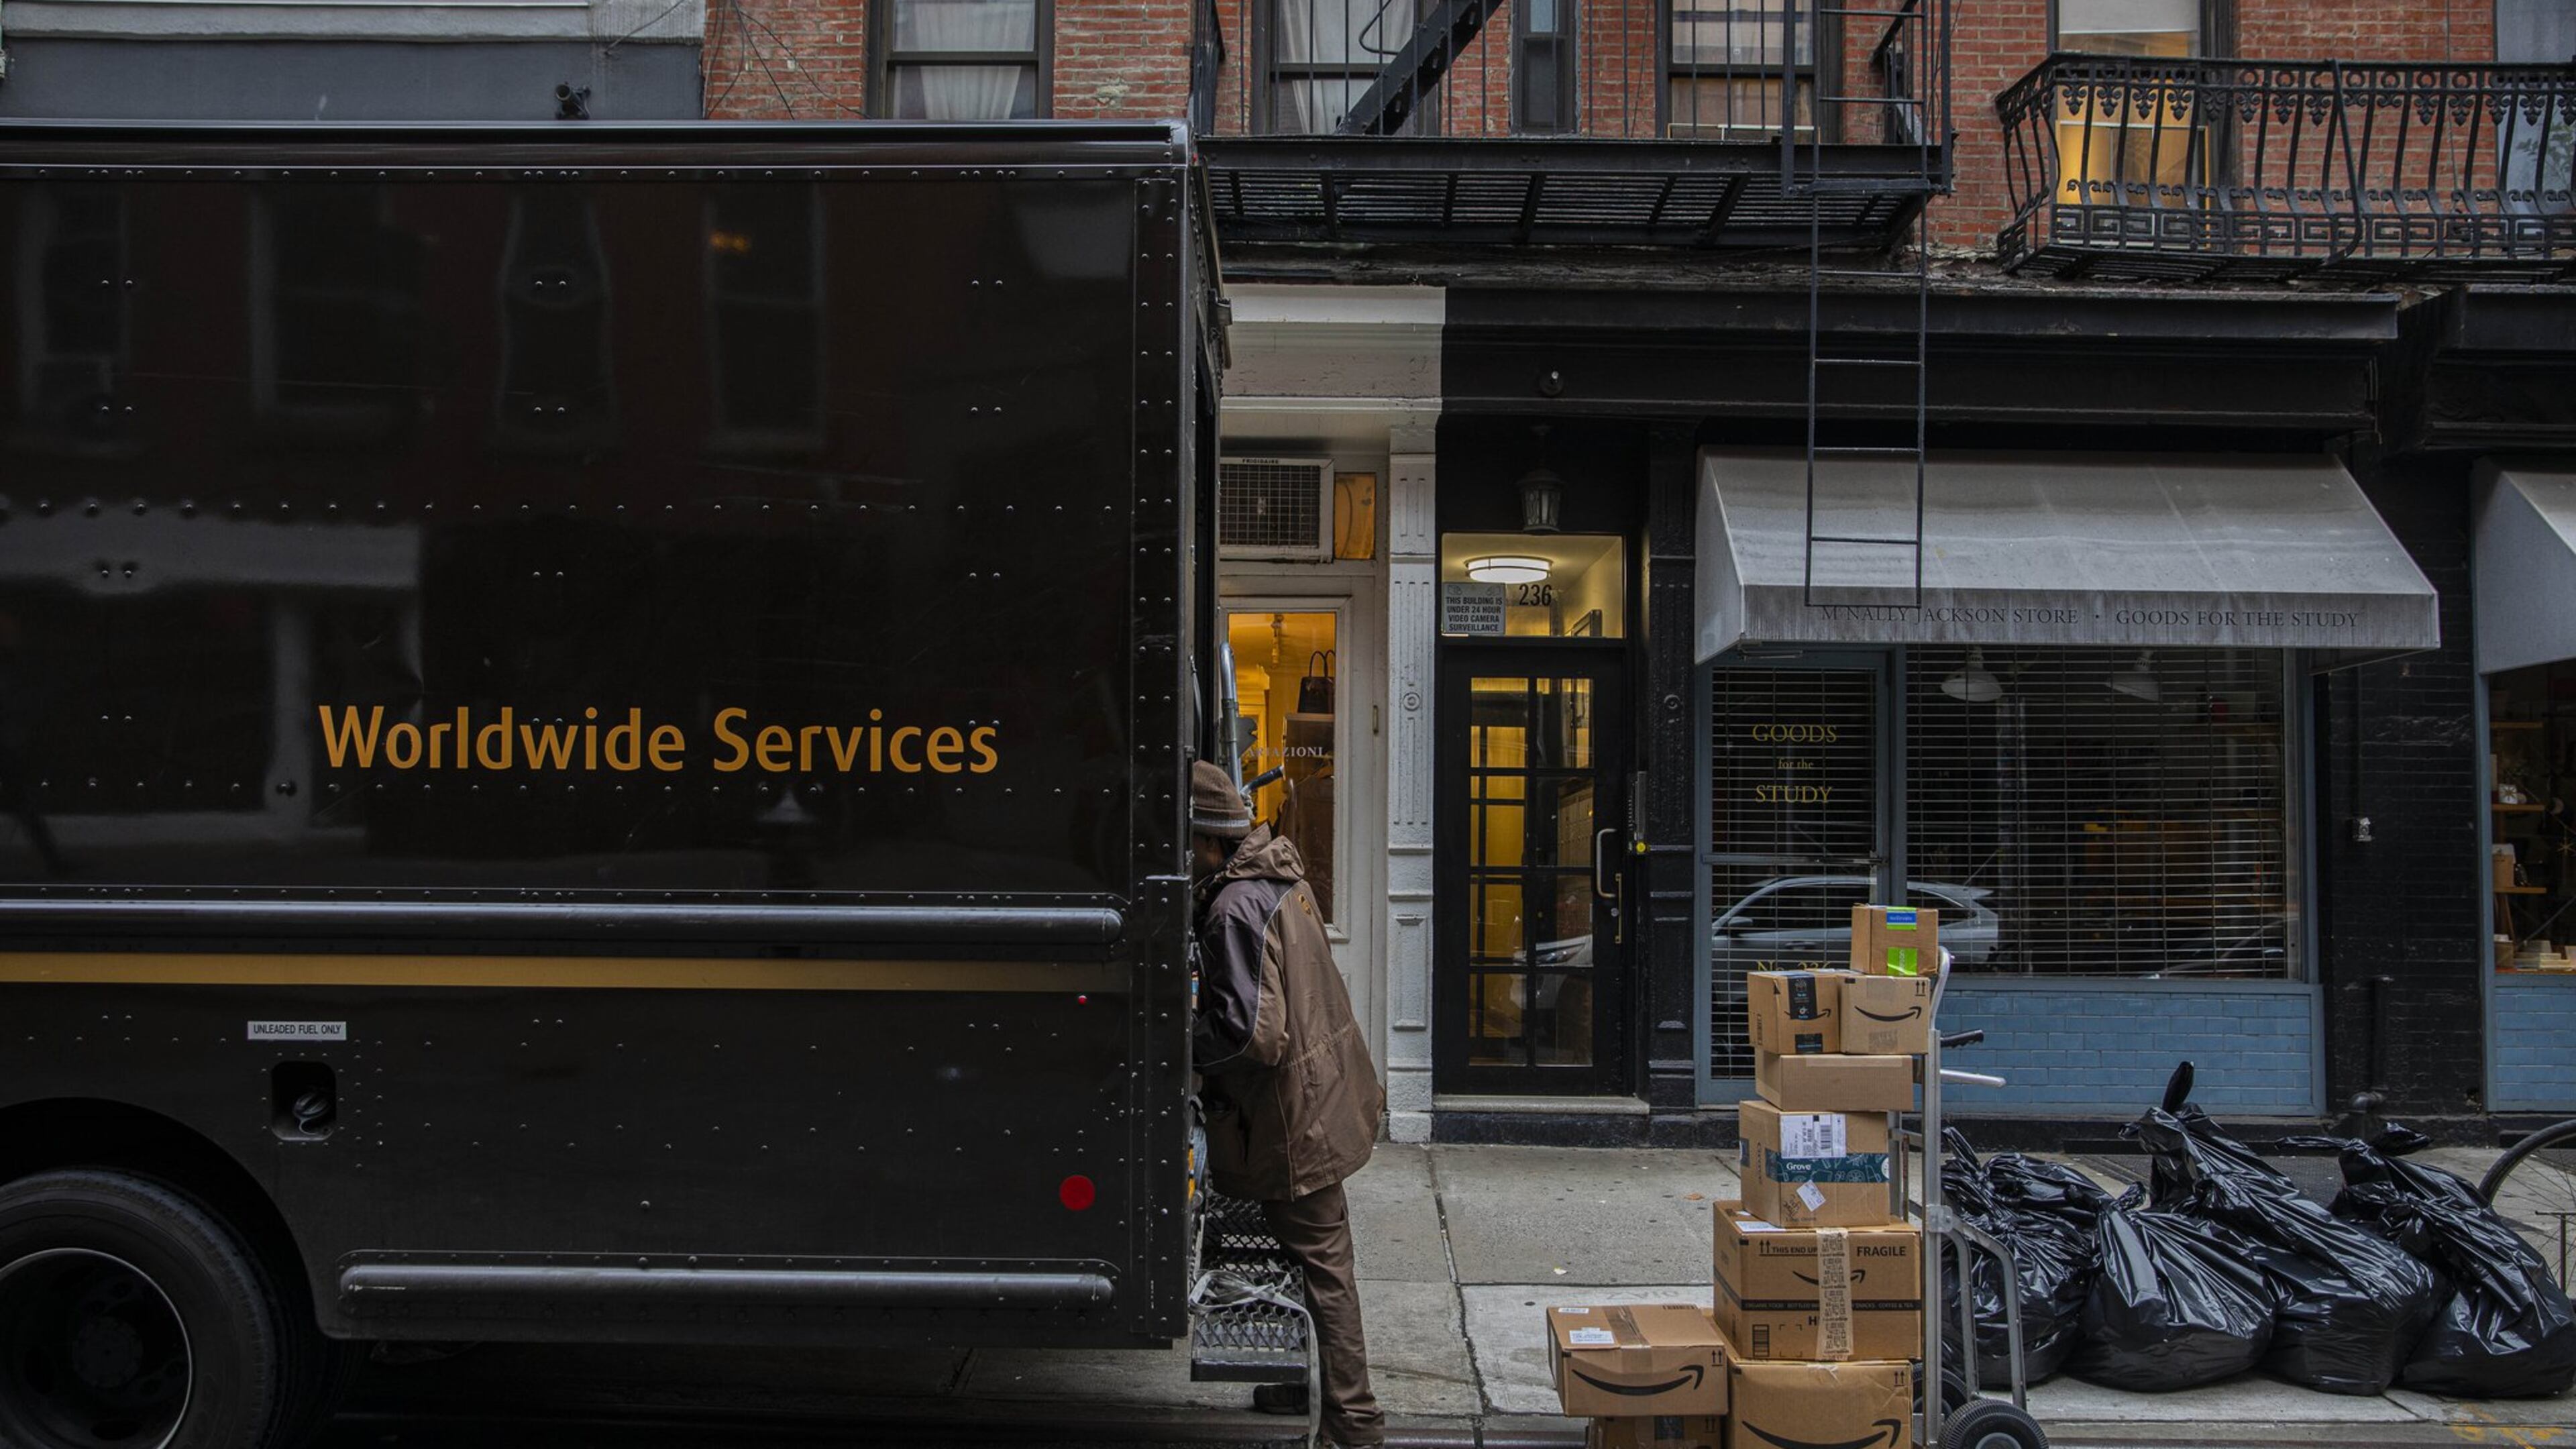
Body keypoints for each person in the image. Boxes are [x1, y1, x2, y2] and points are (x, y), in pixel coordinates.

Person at [1187, 759, 1385, 1449]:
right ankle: (1293, 1386)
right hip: (1324, 1099)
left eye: (1186, 842)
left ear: (1210, 841)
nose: (1182, 858)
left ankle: (1354, 1424)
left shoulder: (1234, 906)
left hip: (1295, 1119)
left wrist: (1188, 1043)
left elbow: (1251, 1038)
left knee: (1326, 1269)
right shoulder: (1278, 880)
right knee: (1310, 1258)